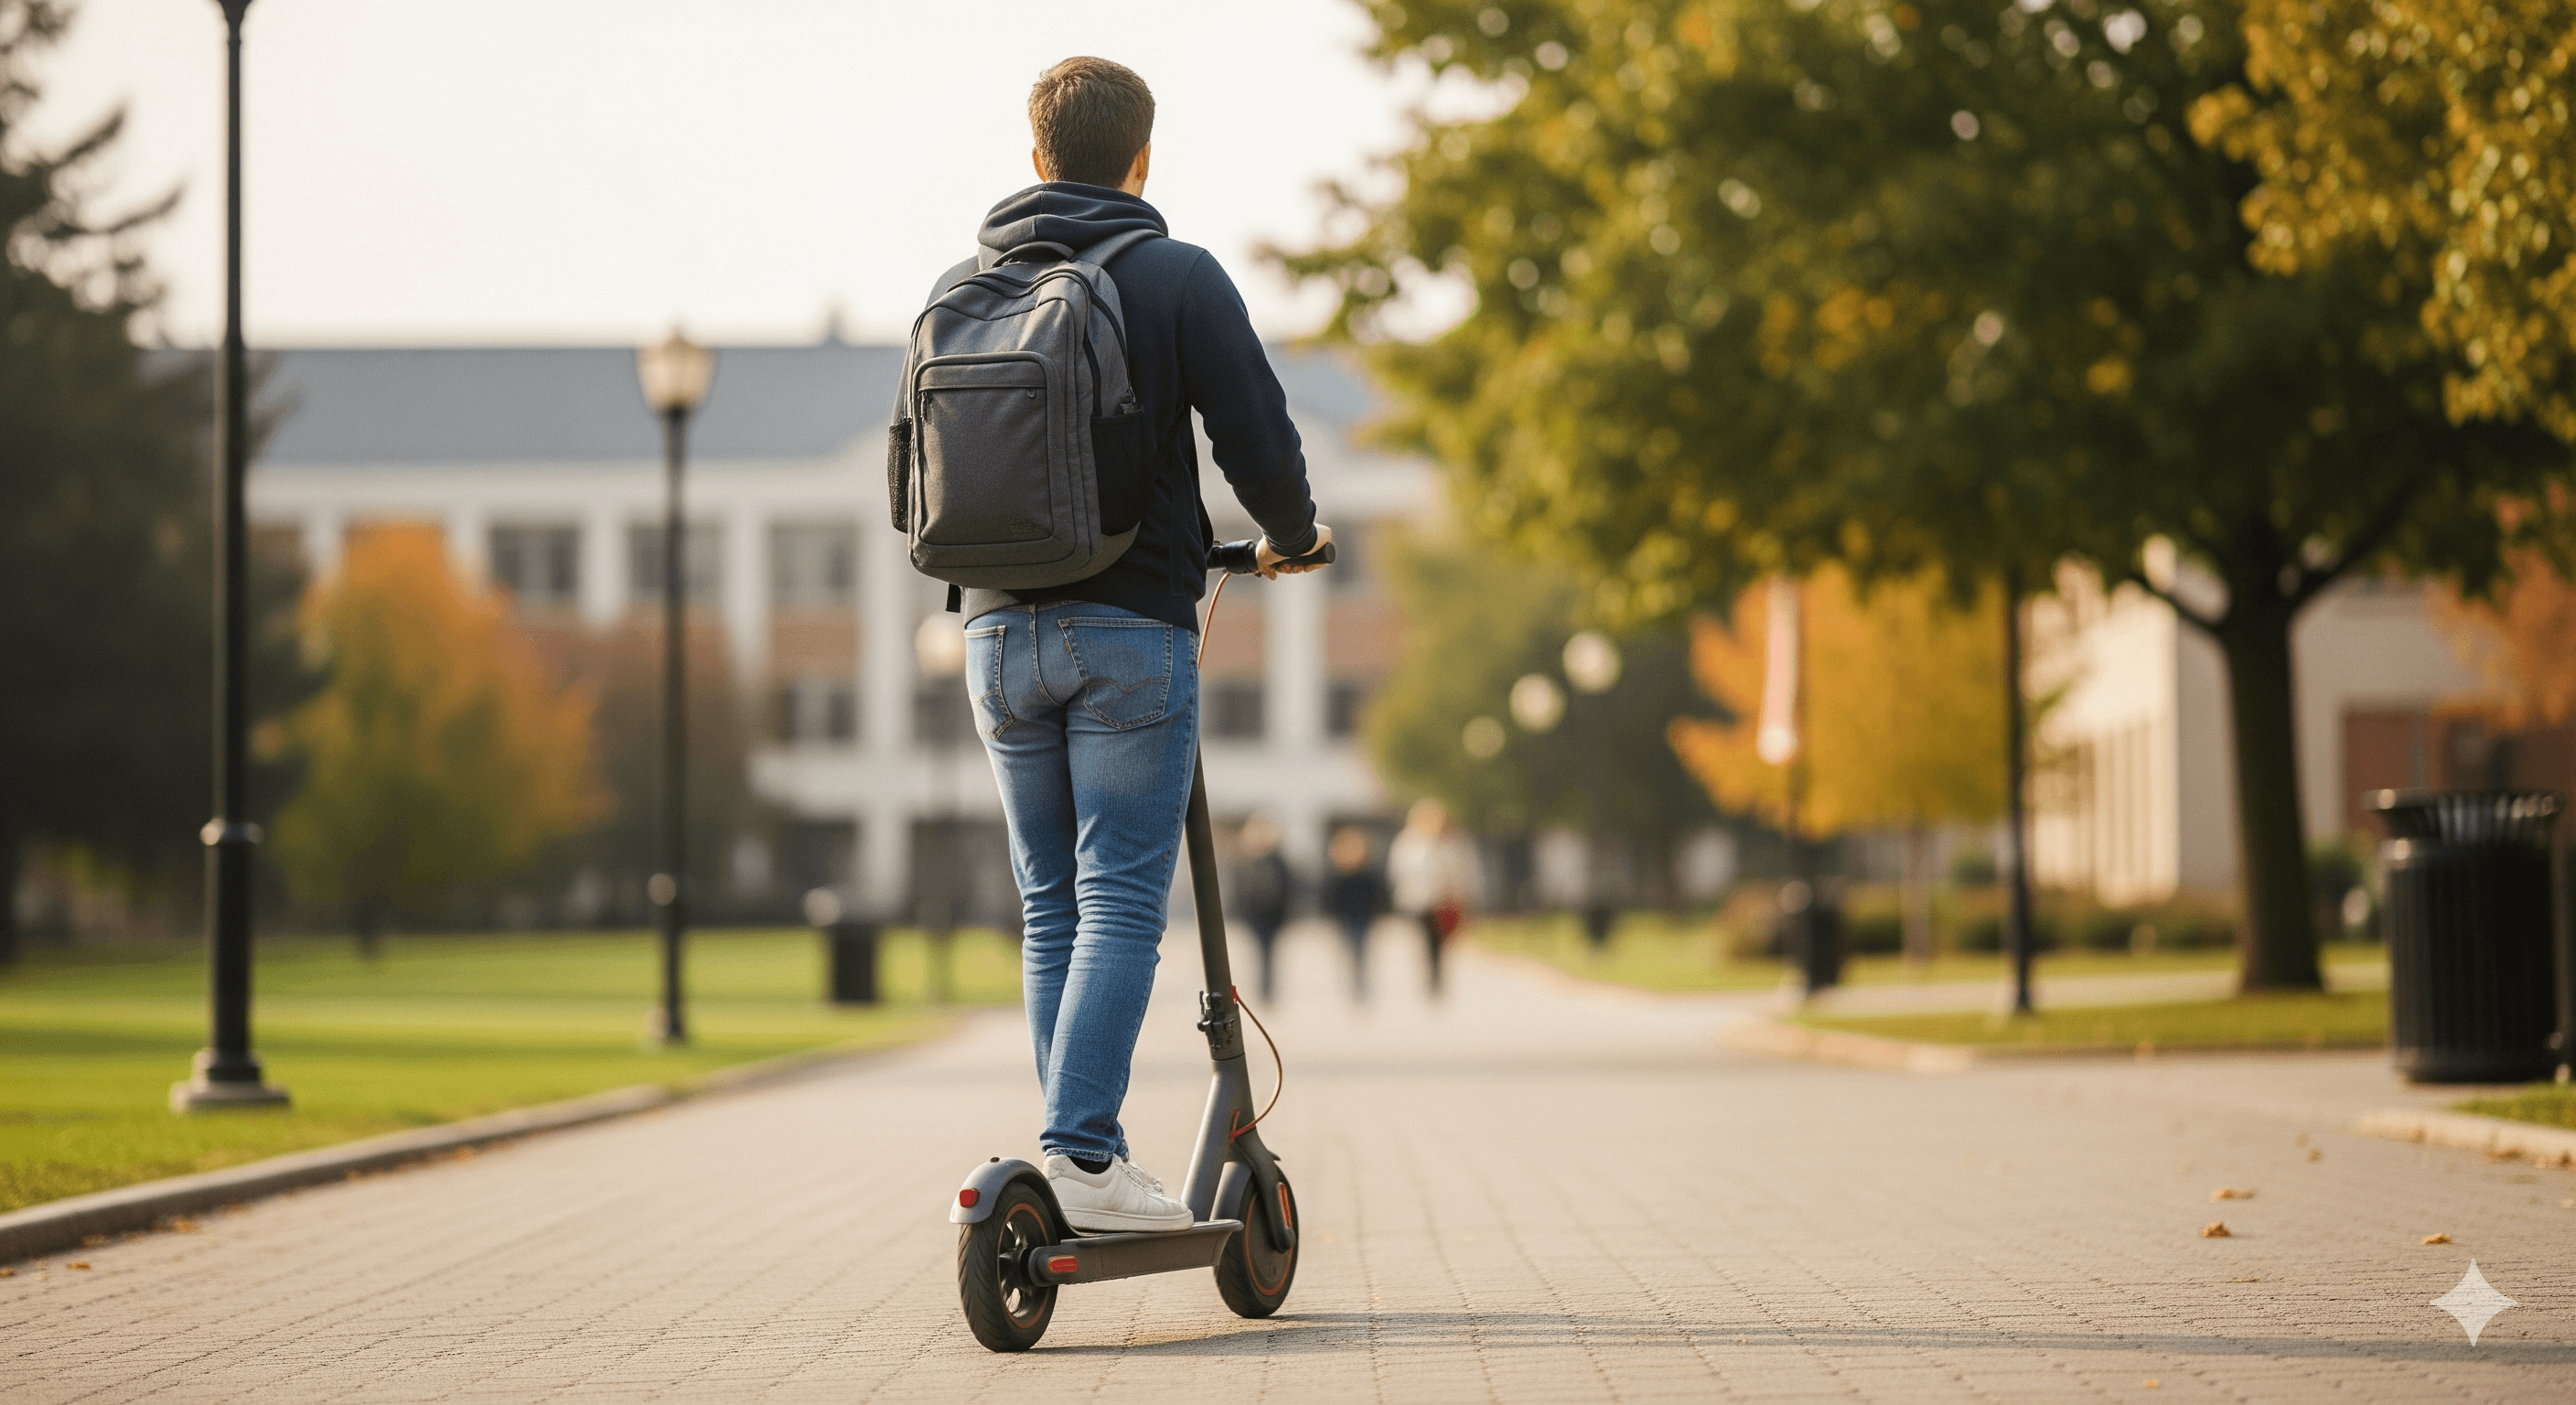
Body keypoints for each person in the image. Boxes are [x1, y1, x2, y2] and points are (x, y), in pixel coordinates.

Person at [942, 58, 1331, 1235]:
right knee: (1118, 901)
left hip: (993, 634)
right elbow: (1254, 435)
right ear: (1142, 159)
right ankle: (1080, 1158)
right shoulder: (1174, 276)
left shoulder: (961, 286)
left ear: (1035, 157)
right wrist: (1292, 538)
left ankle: (1080, 1158)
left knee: (1050, 906)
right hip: (1126, 630)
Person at [1388, 799, 1480, 999]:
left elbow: (1466, 871)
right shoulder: (1410, 843)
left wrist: (1464, 895)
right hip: (1420, 901)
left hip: (1447, 900)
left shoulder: (1455, 842)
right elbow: (1401, 871)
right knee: (1428, 940)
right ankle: (1433, 975)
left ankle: (1436, 973)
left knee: (1441, 940)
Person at [1229, 814, 1295, 1004]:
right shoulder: (1246, 861)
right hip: (1254, 917)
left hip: (1274, 917)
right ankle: (1262, 990)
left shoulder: (1278, 861)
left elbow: (1288, 888)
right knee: (1258, 954)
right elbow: (1240, 890)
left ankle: (1268, 991)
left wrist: (1287, 913)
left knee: (1269, 954)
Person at [1319, 825, 1386, 1004]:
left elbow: (1378, 897)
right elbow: (1329, 899)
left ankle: (1359, 985)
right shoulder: (1336, 875)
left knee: (1361, 951)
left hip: (1363, 917)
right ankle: (1352, 984)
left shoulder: (1368, 874)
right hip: (1345, 918)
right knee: (1349, 950)